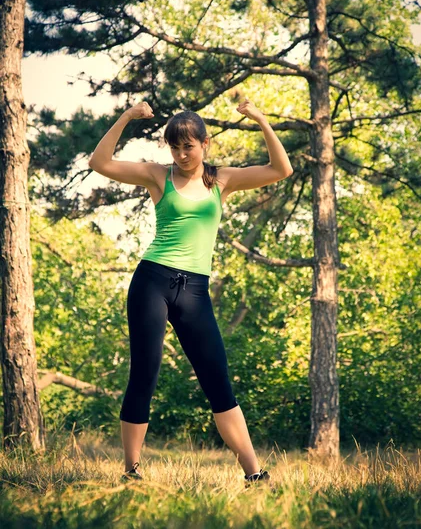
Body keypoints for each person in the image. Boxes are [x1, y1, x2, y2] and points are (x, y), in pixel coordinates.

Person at [88, 98, 293, 487]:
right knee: (144, 374)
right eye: (175, 146)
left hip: (195, 291)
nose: (182, 154)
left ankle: (253, 472)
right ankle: (131, 471)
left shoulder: (223, 180)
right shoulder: (157, 175)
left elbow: (282, 168)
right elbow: (99, 163)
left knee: (218, 379)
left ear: (205, 144)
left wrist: (262, 120)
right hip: (152, 282)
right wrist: (128, 116)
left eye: (189, 146)